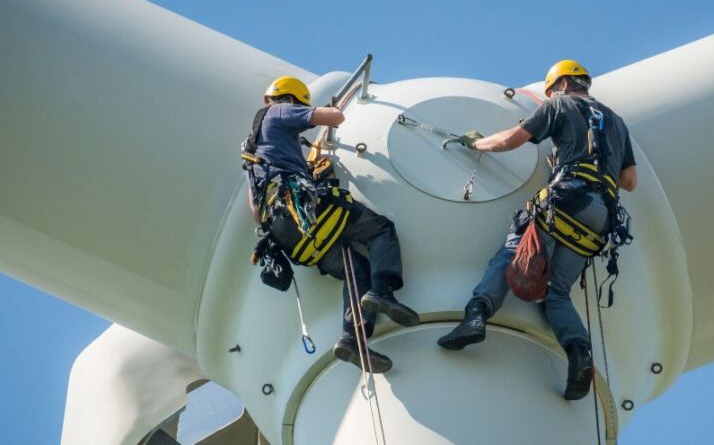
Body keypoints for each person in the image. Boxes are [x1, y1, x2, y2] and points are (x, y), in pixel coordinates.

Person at [436, 60, 637, 399]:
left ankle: (476, 316)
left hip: (566, 198)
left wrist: (475, 144)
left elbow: (512, 140)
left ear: (559, 85)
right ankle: (579, 353)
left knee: (513, 252)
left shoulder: (559, 104)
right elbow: (629, 181)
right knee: (556, 293)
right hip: (601, 218)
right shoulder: (616, 123)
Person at [245, 76, 420, 373]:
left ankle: (352, 339)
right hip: (303, 207)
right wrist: (325, 111)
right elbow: (333, 117)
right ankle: (383, 291)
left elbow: (254, 210)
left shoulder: (252, 151)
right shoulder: (280, 111)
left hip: (286, 231)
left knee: (355, 267)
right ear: (291, 99)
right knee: (380, 229)